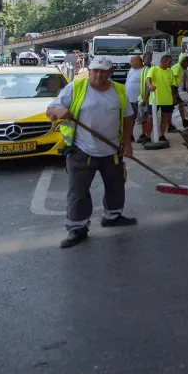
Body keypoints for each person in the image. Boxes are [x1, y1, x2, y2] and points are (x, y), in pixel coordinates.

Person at [45, 57, 137, 249]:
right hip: (81, 150)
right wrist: (60, 111)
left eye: (103, 71)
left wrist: (127, 143)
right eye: (95, 70)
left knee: (116, 185)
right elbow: (50, 112)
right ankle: (77, 228)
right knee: (78, 192)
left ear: (110, 72)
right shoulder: (76, 87)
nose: (99, 75)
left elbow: (128, 118)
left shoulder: (118, 91)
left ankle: (112, 216)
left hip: (112, 150)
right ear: (89, 70)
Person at [145, 53, 177, 143]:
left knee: (165, 118)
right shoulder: (154, 69)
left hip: (167, 100)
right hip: (155, 99)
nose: (171, 64)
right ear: (164, 61)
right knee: (150, 118)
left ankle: (162, 135)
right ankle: (148, 136)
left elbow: (172, 86)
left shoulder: (170, 71)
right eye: (170, 62)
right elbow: (148, 79)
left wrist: (173, 96)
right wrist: (150, 85)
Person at [125, 52, 152, 144]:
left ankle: (143, 135)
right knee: (130, 118)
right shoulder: (131, 70)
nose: (130, 63)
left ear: (137, 62)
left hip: (140, 99)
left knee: (143, 117)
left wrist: (145, 98)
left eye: (132, 61)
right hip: (130, 99)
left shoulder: (146, 70)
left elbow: (148, 85)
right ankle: (130, 135)